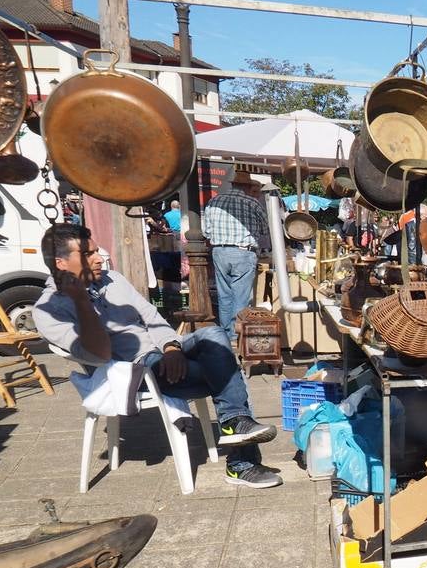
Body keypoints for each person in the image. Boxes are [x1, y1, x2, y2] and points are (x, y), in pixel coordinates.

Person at [33, 224, 282, 489]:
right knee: (225, 372)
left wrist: (171, 348)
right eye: (87, 254)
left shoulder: (112, 279)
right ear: (61, 263)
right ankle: (241, 461)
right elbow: (101, 353)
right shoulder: (49, 311)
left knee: (215, 337)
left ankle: (234, 421)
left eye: (97, 251)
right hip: (132, 371)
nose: (98, 259)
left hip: (162, 352)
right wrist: (82, 300)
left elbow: (152, 317)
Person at [202, 170, 269, 340]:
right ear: (247, 187)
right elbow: (264, 230)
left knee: (224, 295)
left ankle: (225, 333)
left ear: (232, 184)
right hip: (243, 252)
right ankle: (236, 336)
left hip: (220, 251)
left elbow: (206, 231)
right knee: (241, 297)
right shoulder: (252, 203)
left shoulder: (214, 201)